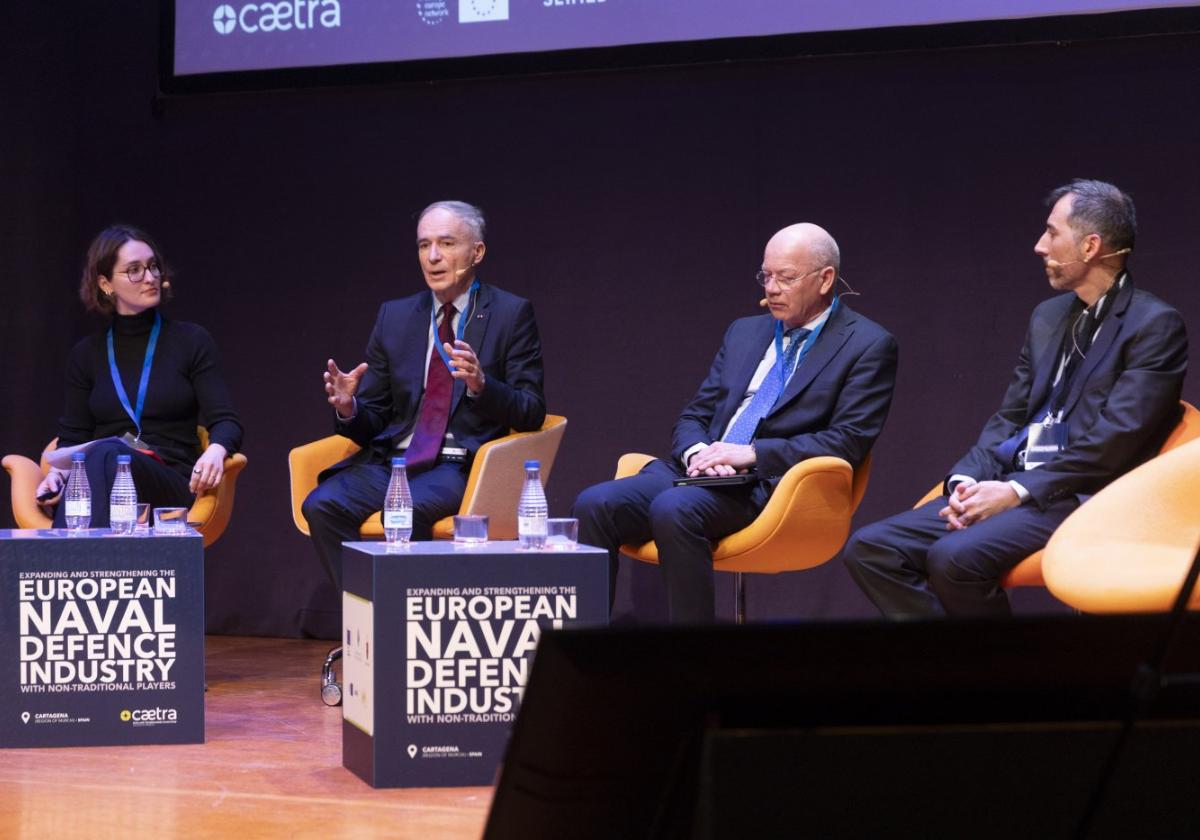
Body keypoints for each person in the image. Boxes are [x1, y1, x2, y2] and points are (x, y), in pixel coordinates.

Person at [842, 179, 1189, 618]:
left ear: (1090, 246)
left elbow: (1114, 443)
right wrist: (966, 481)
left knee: (953, 559)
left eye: (1052, 232)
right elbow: (1011, 417)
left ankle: (1004, 673)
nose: (1039, 245)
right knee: (872, 549)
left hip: (1084, 495)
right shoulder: (1047, 317)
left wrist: (1015, 491)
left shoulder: (1153, 325)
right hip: (1011, 483)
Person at [573, 223, 899, 623]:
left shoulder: (867, 344)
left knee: (675, 508)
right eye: (766, 276)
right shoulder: (744, 332)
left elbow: (848, 441)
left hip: (770, 487)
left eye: (787, 277)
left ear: (825, 279)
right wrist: (700, 453)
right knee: (595, 504)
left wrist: (750, 454)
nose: (772, 288)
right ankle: (584, 657)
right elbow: (697, 413)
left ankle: (695, 666)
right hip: (700, 471)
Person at [302, 200, 546, 587]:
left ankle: (404, 622)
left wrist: (482, 386)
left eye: (447, 244)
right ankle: (368, 614)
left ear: (477, 252)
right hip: (394, 461)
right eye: (423, 245)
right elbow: (376, 418)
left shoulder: (510, 314)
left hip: (457, 464)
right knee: (322, 505)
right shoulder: (395, 316)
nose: (433, 257)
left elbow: (532, 410)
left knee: (403, 512)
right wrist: (350, 408)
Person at [36, 225, 243, 525]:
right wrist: (55, 477)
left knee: (109, 452)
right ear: (106, 284)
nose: (150, 277)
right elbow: (73, 437)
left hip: (168, 480)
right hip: (102, 475)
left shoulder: (191, 341)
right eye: (134, 270)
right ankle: (85, 565)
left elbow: (226, 421)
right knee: (104, 458)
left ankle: (70, 562)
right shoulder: (86, 354)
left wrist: (215, 450)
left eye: (152, 266)